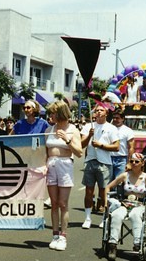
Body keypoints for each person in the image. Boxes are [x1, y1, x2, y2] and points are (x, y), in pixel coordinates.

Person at [103, 153, 146, 261]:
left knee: (135, 215)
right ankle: (112, 245)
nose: (134, 163)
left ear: (142, 163)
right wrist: (106, 203)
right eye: (132, 161)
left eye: (136, 162)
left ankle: (137, 244)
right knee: (116, 215)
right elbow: (108, 187)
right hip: (125, 203)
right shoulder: (125, 175)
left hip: (140, 205)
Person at [45, 101, 83, 251]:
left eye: (53, 113)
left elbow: (79, 152)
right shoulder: (49, 129)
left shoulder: (73, 130)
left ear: (60, 113)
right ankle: (55, 234)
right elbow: (44, 150)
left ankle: (63, 235)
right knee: (53, 203)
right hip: (51, 164)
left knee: (63, 203)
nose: (51, 116)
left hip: (65, 164)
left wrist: (66, 140)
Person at [80, 105, 120, 228]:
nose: (98, 112)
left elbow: (116, 146)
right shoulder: (88, 126)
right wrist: (89, 136)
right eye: (96, 110)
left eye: (101, 110)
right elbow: (81, 144)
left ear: (106, 113)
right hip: (90, 161)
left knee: (103, 192)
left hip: (105, 163)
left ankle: (104, 217)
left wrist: (101, 145)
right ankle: (87, 218)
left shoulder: (111, 128)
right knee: (89, 191)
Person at [110, 108, 135, 181]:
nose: (115, 120)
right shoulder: (108, 129)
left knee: (119, 182)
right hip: (108, 158)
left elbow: (131, 147)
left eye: (117, 118)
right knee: (108, 182)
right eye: (114, 118)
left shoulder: (128, 131)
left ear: (122, 119)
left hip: (121, 159)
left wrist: (129, 162)